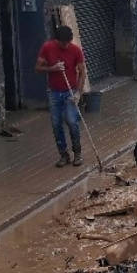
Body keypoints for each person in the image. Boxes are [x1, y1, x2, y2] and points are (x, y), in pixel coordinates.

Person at [35, 26, 86, 167]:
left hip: (70, 91)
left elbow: (82, 72)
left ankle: (78, 153)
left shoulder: (75, 50)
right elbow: (38, 68)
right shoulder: (47, 47)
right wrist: (52, 69)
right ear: (57, 40)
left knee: (72, 122)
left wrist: (78, 94)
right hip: (54, 92)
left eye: (68, 42)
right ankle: (63, 155)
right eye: (63, 43)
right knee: (56, 124)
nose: (66, 45)